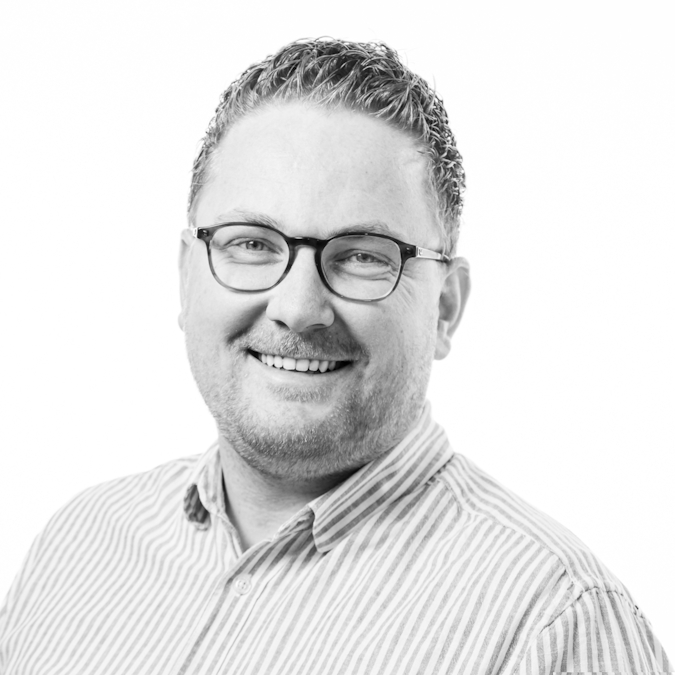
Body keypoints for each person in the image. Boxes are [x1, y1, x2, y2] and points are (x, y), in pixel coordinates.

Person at [0, 38, 670, 674]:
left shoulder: (551, 624)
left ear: (445, 307)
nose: (297, 307)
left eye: (361, 256)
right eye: (252, 243)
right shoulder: (78, 546)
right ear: (185, 277)